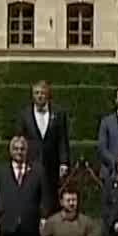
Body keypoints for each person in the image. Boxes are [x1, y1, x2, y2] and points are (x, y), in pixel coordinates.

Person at [16, 80, 70, 216]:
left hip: (52, 164)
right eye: (37, 93)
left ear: (48, 94)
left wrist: (64, 162)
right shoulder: (24, 115)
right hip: (31, 163)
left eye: (43, 93)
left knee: (51, 198)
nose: (40, 96)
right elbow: (20, 140)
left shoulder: (58, 113)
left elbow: (63, 139)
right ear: (32, 95)